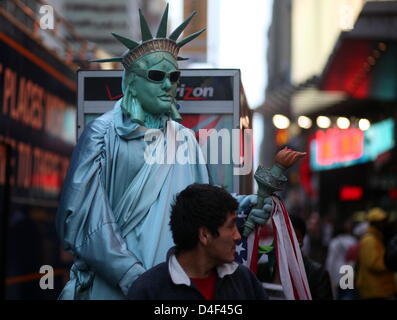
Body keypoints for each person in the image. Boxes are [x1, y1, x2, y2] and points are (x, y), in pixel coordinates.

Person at [55, 5, 275, 300]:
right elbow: (81, 218)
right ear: (131, 82)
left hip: (177, 290)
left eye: (174, 77)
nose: (169, 85)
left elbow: (202, 206)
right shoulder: (101, 135)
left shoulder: (185, 140)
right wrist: (134, 277)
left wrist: (250, 204)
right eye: (158, 75)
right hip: (115, 288)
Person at [128, 183, 268, 300]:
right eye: (231, 226)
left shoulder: (245, 281)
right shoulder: (148, 291)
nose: (237, 236)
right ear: (204, 235)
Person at [257, 214, 333, 300]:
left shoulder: (317, 275)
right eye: (277, 235)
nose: (280, 240)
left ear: (300, 240)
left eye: (286, 236)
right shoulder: (262, 270)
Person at [357, 207, 396, 299]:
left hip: (381, 289)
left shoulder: (377, 238)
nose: (384, 224)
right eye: (382, 222)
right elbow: (374, 264)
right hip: (375, 291)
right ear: (375, 223)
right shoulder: (370, 240)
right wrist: (391, 264)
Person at [325, 219, 357, 299]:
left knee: (338, 295)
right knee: (348, 294)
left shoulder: (334, 242)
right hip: (349, 270)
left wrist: (328, 274)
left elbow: (330, 261)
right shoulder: (353, 241)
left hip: (336, 272)